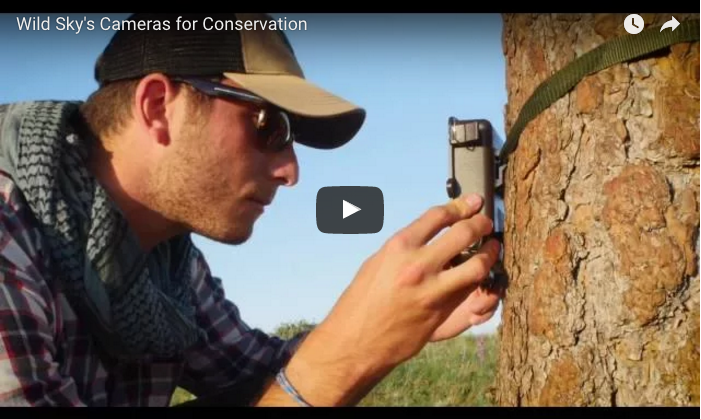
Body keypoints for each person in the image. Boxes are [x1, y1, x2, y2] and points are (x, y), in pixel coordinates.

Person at [0, 12, 503, 407]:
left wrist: (397, 320)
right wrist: (349, 354)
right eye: (271, 126)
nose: (290, 171)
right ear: (158, 107)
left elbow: (258, 373)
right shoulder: (9, 234)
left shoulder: (169, 265)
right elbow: (307, 381)